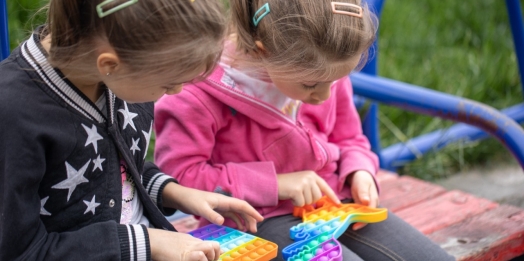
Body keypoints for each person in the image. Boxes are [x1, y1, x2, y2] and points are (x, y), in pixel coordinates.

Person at [154, 0, 456, 260]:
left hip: (336, 204)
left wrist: (359, 171)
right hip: (256, 221)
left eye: (336, 80)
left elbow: (349, 137)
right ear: (263, 51)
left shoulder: (322, 63)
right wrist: (277, 184)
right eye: (311, 85)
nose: (324, 96)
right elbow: (181, 180)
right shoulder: (196, 93)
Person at [0, 0, 265, 260]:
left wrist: (179, 194)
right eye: (169, 83)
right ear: (110, 65)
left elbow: (117, 170)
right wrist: (149, 242)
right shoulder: (14, 114)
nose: (177, 92)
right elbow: (21, 251)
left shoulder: (119, 74)